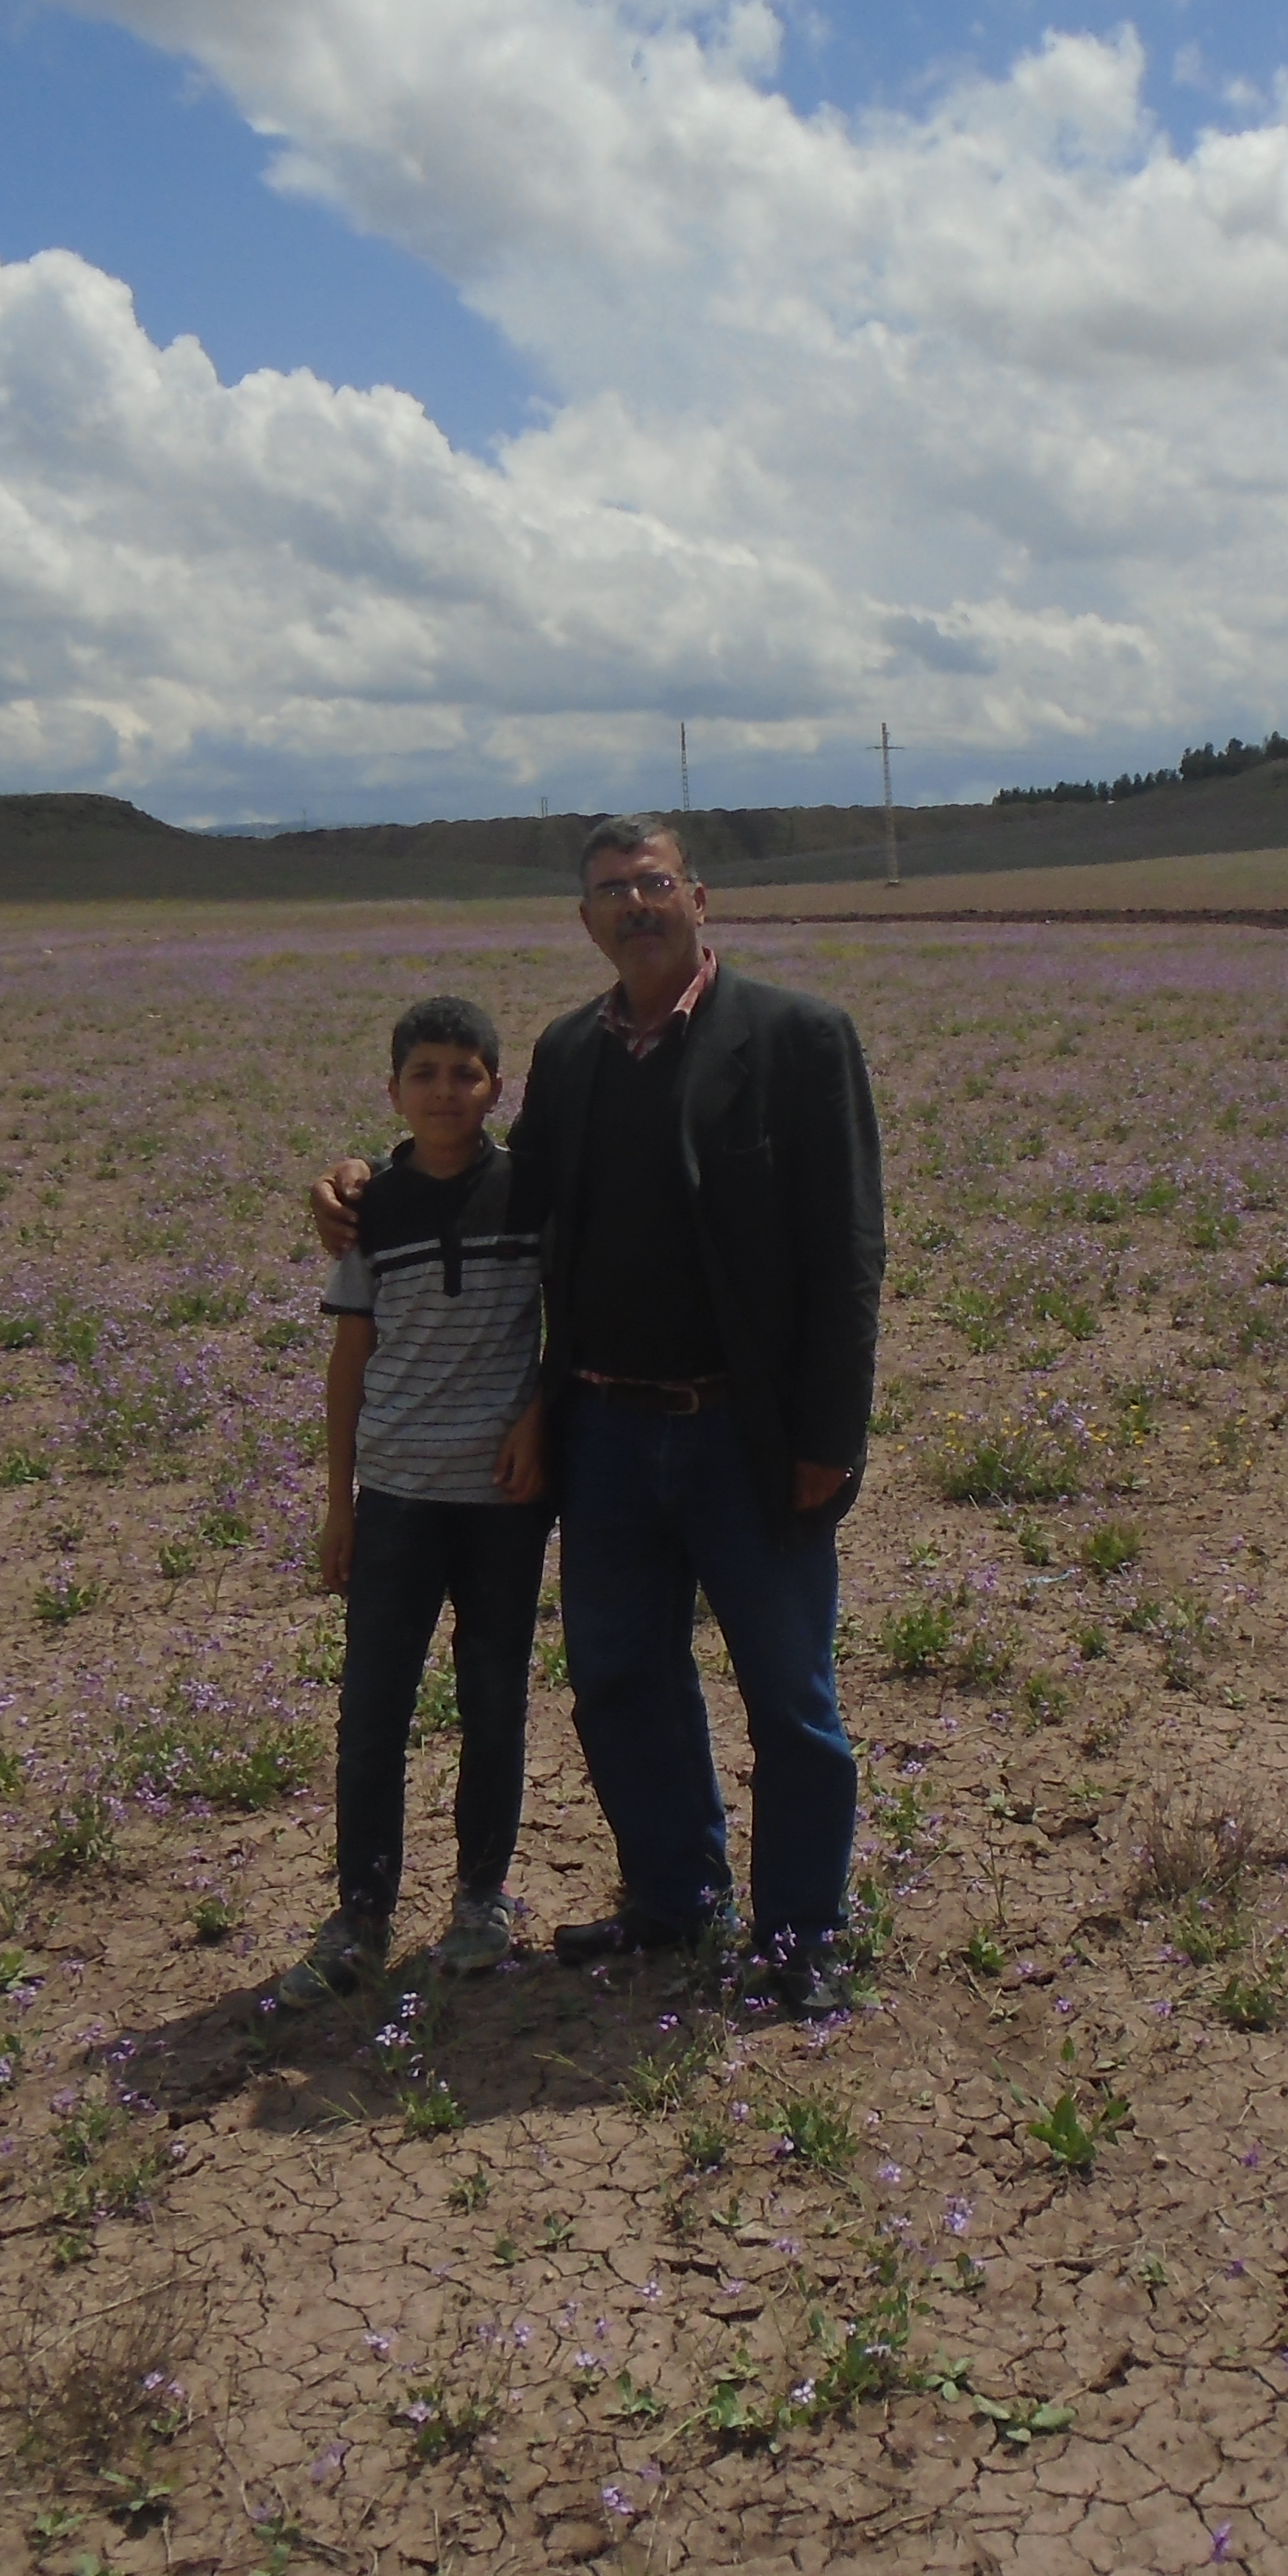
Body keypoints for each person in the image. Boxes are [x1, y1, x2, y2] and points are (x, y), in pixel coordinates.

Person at [312, 814, 885, 2012]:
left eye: (655, 882)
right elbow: (498, 1181)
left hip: (749, 1432)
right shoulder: (571, 1052)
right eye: (612, 891)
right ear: (585, 920)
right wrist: (368, 1177)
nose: (636, 905)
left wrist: (830, 1439)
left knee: (790, 1694)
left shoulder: (799, 1039)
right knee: (624, 1678)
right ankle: (676, 1904)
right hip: (609, 1432)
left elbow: (847, 1256)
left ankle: (800, 1940)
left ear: (700, 899)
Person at [281, 995, 552, 2008]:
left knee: (493, 1698)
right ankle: (361, 1912)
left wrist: (539, 1418)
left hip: (501, 1499)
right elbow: (348, 1363)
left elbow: (567, 1322)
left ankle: (483, 1900)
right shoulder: (370, 1210)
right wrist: (340, 1500)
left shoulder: (529, 1194)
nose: (446, 1091)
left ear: (496, 1087)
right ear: (393, 1088)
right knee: (372, 1710)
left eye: (465, 1073)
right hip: (394, 1494)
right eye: (425, 1073)